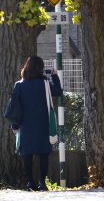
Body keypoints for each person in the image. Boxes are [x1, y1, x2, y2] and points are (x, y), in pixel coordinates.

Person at [10, 56, 62, 191]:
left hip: (25, 124)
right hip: (42, 123)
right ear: (40, 68)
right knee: (43, 153)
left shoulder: (19, 85)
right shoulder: (44, 83)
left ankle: (30, 182)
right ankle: (43, 183)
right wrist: (55, 76)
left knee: (27, 153)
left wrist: (14, 125)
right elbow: (58, 92)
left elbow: (15, 106)